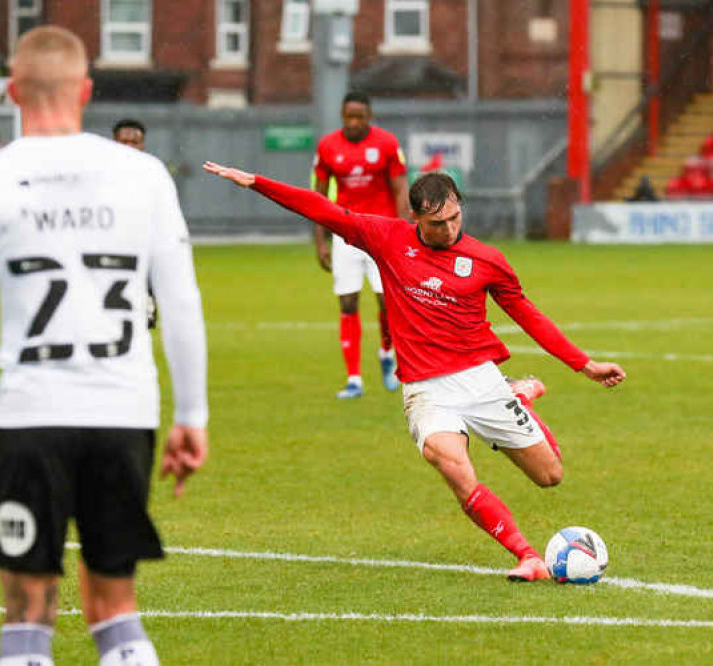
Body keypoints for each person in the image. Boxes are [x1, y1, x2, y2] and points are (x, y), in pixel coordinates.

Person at [0, 26, 209, 666]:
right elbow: (183, 302)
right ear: (85, 90)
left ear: (11, 91)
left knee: (28, 615)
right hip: (123, 414)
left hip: (32, 416)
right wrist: (192, 417)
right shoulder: (143, 174)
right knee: (116, 611)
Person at [203, 161, 625, 581]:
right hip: (426, 389)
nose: (449, 229)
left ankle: (517, 396)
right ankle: (527, 556)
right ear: (415, 218)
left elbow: (528, 315)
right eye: (438, 222)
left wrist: (584, 365)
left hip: (480, 378)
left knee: (550, 476)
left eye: (455, 217)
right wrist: (257, 181)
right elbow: (322, 209)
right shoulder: (386, 239)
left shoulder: (487, 260)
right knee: (453, 466)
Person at [312, 92, 410, 399]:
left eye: (360, 117)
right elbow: (317, 198)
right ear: (342, 116)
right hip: (345, 234)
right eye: (349, 117)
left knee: (387, 302)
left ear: (369, 117)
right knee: (347, 302)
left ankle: (386, 354)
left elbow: (400, 189)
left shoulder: (388, 144)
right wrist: (320, 241)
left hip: (382, 236)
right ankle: (354, 378)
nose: (354, 122)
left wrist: (404, 232)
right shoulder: (327, 146)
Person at [113, 118, 157, 330]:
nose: (129, 147)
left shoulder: (153, 174)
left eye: (135, 142)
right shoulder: (102, 175)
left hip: (142, 240)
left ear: (143, 145)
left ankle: (147, 305)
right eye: (124, 142)